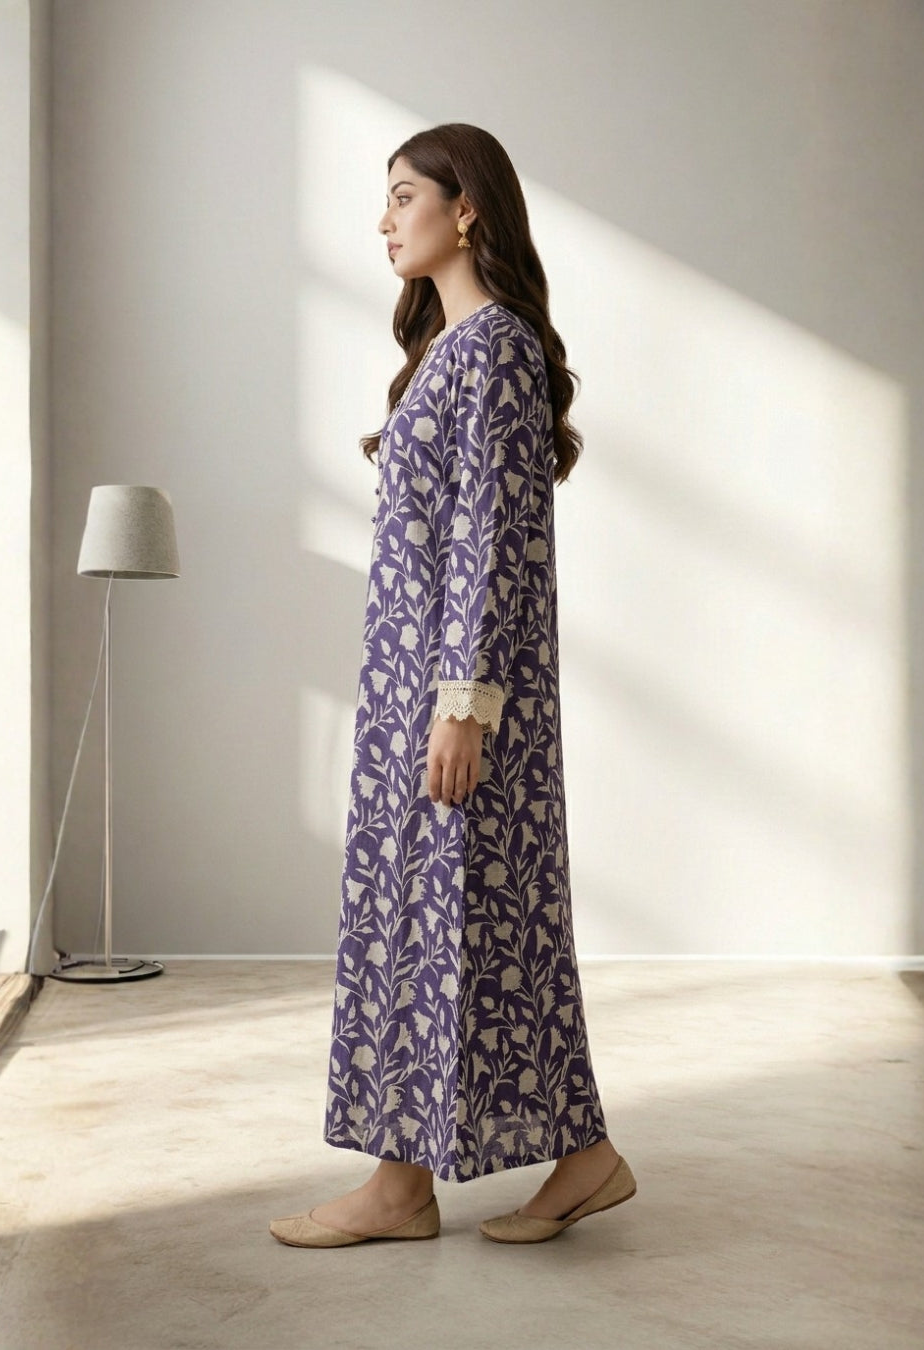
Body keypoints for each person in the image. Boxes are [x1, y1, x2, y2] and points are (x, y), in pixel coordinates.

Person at [270, 124, 637, 1248]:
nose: (384, 220)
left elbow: (491, 538)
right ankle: (564, 1159)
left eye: (402, 196)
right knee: (461, 923)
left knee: (453, 923)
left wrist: (463, 705)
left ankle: (407, 1186)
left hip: (457, 698)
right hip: (412, 692)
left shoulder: (498, 349)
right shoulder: (448, 348)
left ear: (464, 207)